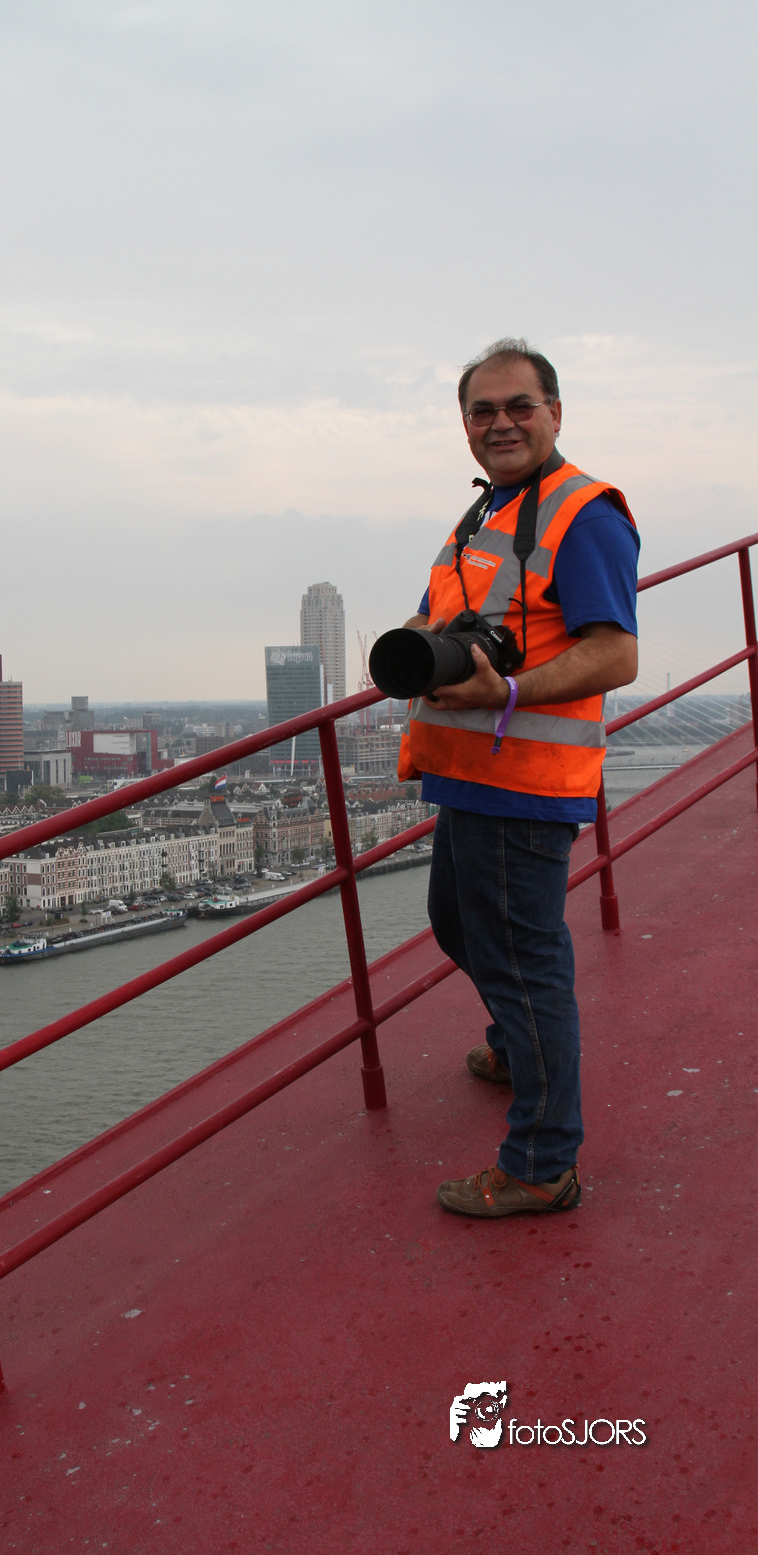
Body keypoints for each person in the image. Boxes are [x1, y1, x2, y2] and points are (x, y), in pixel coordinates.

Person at [398, 338, 639, 1217]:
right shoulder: (485, 514)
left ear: (554, 413)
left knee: (524, 963)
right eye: (481, 410)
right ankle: (515, 1043)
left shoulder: (584, 514)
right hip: (466, 773)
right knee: (457, 924)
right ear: (464, 424)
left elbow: (615, 653)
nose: (499, 423)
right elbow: (444, 617)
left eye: (518, 406)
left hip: (523, 780)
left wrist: (504, 689)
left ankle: (541, 1161)